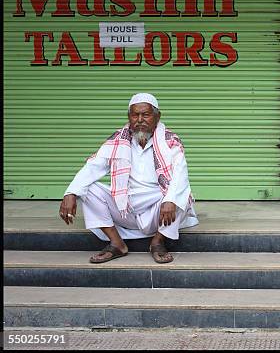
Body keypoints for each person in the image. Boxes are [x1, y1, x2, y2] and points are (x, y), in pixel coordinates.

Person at [59, 93, 198, 264]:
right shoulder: (118, 139)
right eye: (135, 115)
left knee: (180, 193)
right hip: (126, 207)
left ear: (157, 116)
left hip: (159, 209)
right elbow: (93, 166)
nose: (140, 119)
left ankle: (158, 241)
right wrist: (70, 193)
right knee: (89, 189)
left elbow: (180, 174)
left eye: (146, 114)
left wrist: (170, 200)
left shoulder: (170, 141)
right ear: (129, 117)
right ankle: (117, 243)